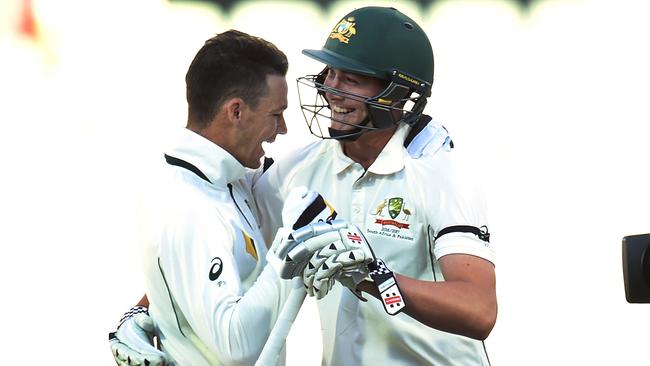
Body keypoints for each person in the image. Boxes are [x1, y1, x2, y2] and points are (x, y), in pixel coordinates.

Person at [111, 6, 497, 366]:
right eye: (330, 73)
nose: (331, 90)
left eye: (352, 78)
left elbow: (479, 310)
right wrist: (147, 308)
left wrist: (374, 276)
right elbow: (211, 244)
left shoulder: (441, 173)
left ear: (397, 93)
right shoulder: (300, 170)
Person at [113, 29, 369, 366]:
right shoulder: (188, 207)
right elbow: (236, 347)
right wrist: (289, 253)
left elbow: (321, 156)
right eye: (275, 114)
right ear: (236, 112)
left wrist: (412, 133)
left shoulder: (229, 179)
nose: (283, 129)